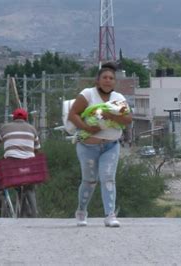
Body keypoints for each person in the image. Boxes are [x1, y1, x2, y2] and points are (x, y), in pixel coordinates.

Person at [68, 62, 132, 227]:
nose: (108, 80)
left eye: (111, 78)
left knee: (108, 178)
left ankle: (110, 215)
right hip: (87, 147)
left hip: (110, 146)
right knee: (89, 180)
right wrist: (87, 128)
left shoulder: (119, 99)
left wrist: (110, 115)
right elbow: (73, 114)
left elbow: (127, 119)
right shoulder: (87, 95)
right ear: (97, 80)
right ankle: (81, 211)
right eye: (104, 77)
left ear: (115, 82)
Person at [0, 108, 41, 217]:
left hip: (11, 164)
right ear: (26, 119)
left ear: (13, 118)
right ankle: (33, 209)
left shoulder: (5, 128)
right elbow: (36, 149)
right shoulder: (32, 129)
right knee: (30, 186)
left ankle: (0, 195)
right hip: (28, 166)